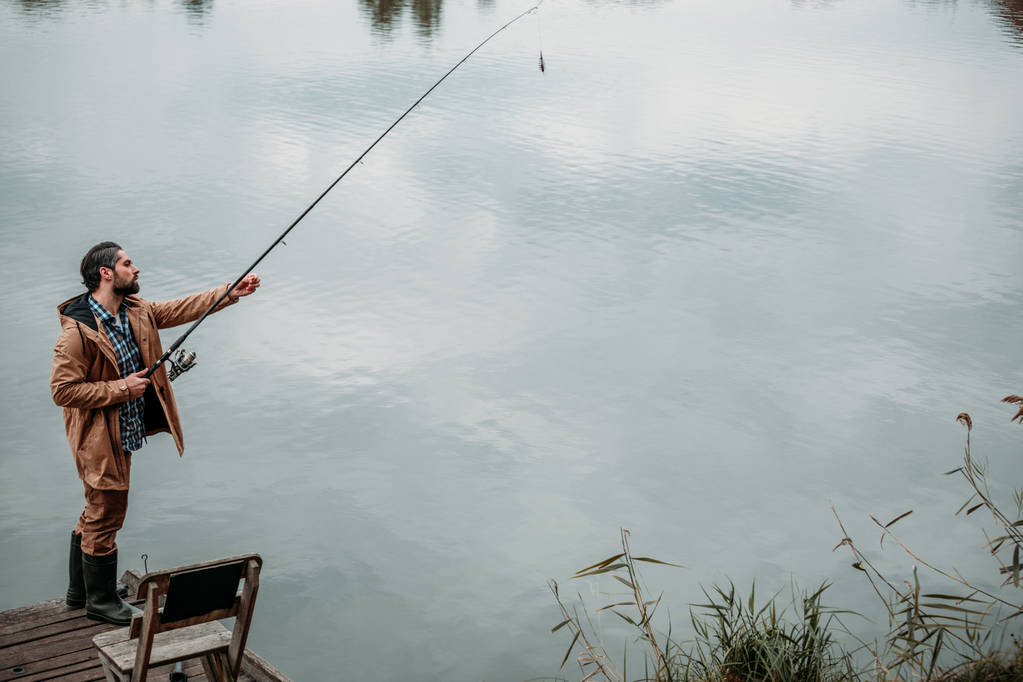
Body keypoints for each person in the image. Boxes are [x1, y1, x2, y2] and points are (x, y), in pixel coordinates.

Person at [50, 242, 260, 625]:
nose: (137, 269)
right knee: (107, 511)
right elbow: (62, 391)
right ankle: (100, 601)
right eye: (128, 264)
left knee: (96, 507)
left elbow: (178, 309)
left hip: (123, 432)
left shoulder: (135, 311)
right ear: (106, 274)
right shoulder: (76, 334)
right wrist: (121, 389)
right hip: (98, 440)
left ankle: (81, 592)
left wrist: (229, 293)